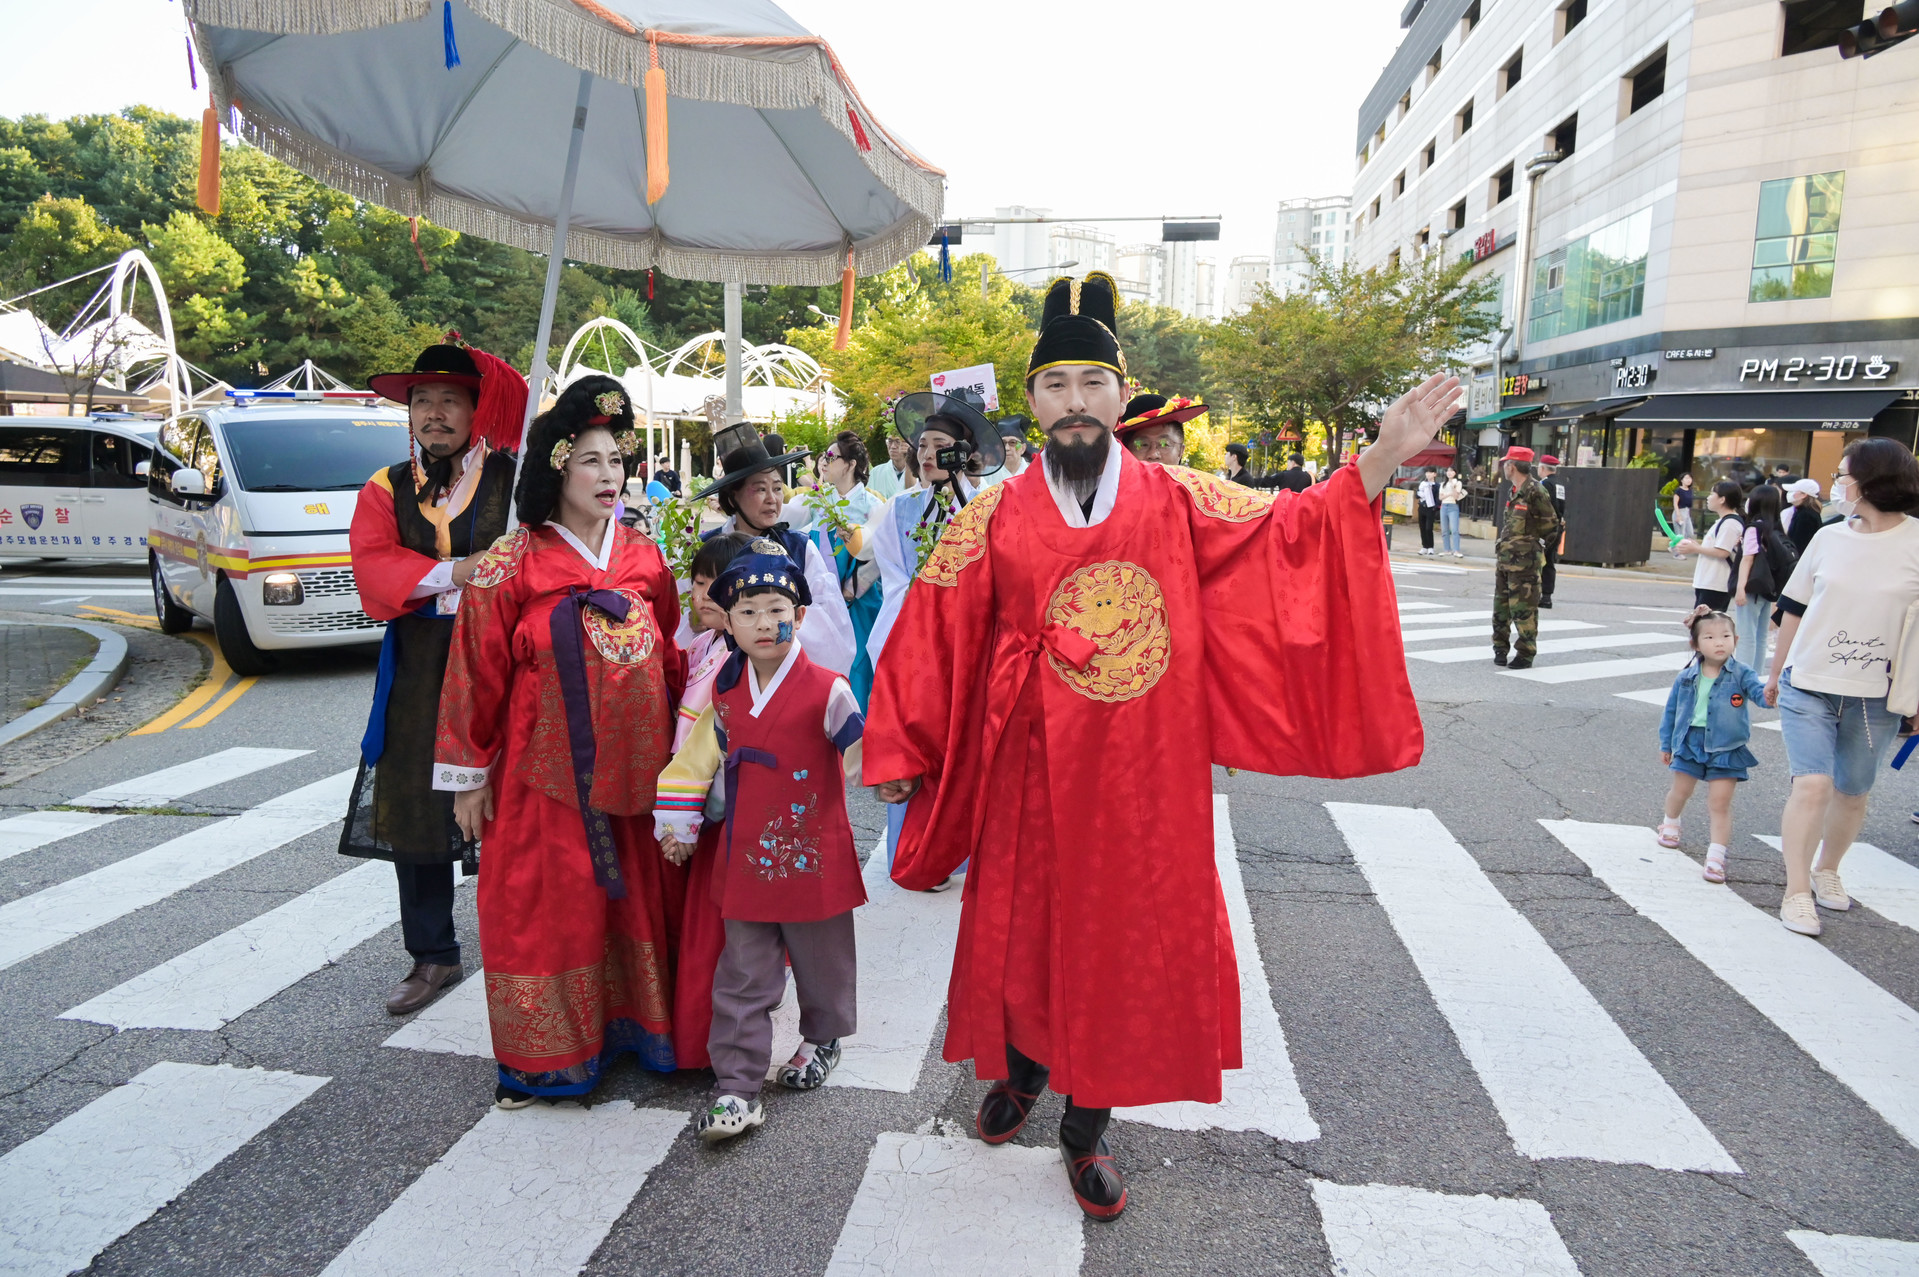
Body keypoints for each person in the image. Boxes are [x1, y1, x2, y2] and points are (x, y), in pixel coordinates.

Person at [863, 270, 1444, 1219]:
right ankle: (1022, 1067)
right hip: (1029, 772)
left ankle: (1086, 1126)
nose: (1075, 401)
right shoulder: (992, 514)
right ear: (1031, 402)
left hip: (1144, 776)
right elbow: (930, 630)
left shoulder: (1178, 496)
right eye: (1055, 385)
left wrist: (1380, 456)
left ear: (1121, 395)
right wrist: (900, 749)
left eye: (1092, 383)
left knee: (1122, 944)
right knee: (1025, 931)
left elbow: (1293, 530)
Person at [435, 375, 689, 1107]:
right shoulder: (510, 562)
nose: (610, 475)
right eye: (590, 461)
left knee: (633, 899)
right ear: (557, 468)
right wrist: (468, 777)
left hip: (637, 776)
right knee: (550, 909)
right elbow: (473, 672)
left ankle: (637, 1030)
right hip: (541, 780)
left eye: (616, 460)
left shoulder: (643, 555)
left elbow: (671, 654)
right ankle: (545, 1058)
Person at [654, 542, 867, 1142]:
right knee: (742, 974)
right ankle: (737, 1085)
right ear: (727, 620)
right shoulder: (724, 694)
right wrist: (680, 822)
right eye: (747, 612)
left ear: (799, 615)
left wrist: (895, 775)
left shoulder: (828, 689)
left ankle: (822, 1038)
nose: (764, 623)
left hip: (812, 853)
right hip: (746, 854)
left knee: (822, 962)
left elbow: (864, 752)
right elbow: (704, 761)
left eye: (777, 609)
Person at [345, 338, 524, 1016]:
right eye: (422, 400)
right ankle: (433, 953)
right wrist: (457, 571)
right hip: (420, 661)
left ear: (477, 410)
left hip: (502, 658)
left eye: (450, 399)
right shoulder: (384, 487)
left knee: (513, 797)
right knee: (416, 802)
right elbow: (372, 569)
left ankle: (524, 946)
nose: (434, 412)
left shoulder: (516, 480)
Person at [1764, 438, 1919, 937]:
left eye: (1843, 475)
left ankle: (1827, 868)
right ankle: (1796, 891)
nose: (1837, 484)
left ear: (1870, 481)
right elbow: (1793, 608)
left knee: (1852, 791)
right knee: (1812, 784)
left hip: (1878, 693)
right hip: (1808, 682)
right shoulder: (1828, 537)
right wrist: (1775, 674)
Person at [694, 424, 857, 676]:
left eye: (778, 488)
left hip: (786, 676)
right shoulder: (708, 548)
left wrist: (768, 623)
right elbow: (688, 623)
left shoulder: (799, 548)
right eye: (760, 489)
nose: (773, 499)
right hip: (716, 675)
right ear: (732, 496)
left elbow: (831, 623)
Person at [1656, 609, 1769, 884]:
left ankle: (1716, 856)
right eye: (1709, 637)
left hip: (1727, 748)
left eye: (1725, 636)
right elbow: (1671, 712)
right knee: (1681, 791)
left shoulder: (1742, 674)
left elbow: (1761, 697)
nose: (1719, 642)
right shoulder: (1686, 677)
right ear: (1695, 644)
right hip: (1689, 742)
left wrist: (1776, 690)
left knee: (1720, 803)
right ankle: (1670, 822)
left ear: (1736, 640)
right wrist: (1666, 744)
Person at [812, 430, 885, 707]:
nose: (825, 461)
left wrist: (852, 589)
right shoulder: (821, 502)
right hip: (823, 600)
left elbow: (881, 557)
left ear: (851, 464)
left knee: (857, 669)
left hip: (858, 601)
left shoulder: (873, 506)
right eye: (824, 456)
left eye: (832, 457)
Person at [1491, 446, 1561, 670]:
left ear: (1512, 466)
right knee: (1501, 607)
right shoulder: (1514, 490)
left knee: (1523, 609)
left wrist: (1534, 548)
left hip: (1525, 564)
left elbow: (1551, 525)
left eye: (1505, 464)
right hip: (1505, 559)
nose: (1504, 467)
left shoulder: (1535, 491)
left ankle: (1525, 653)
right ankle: (1500, 648)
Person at [1731, 483, 1792, 673]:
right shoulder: (1776, 529)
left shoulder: (1754, 528)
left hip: (1752, 587)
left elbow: (1748, 559)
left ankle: (1743, 676)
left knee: (1746, 635)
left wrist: (1740, 588)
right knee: (1760, 635)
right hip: (1768, 588)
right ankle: (1755, 676)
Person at [1675, 480, 1745, 611]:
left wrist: (1696, 548)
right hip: (1709, 582)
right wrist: (1696, 546)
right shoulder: (1723, 521)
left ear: (1722, 499)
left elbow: (1722, 552)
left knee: (1707, 621)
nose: (1708, 497)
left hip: (1716, 584)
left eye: (1712, 494)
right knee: (1701, 621)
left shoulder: (1730, 523)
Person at [1116, 393, 1207, 468]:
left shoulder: (1201, 484)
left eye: (1164, 444)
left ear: (1180, 451)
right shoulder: (1111, 485)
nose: (1153, 455)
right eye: (1143, 445)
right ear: (1125, 450)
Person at [1535, 455, 1567, 607]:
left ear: (1542, 468)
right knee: (1549, 561)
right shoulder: (1559, 484)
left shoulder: (1544, 484)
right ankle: (1547, 597)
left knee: (1535, 560)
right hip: (1557, 527)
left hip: (1545, 528)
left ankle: (1533, 594)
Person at [1783, 477, 1826, 556]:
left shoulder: (1806, 516)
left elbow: (1800, 544)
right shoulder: (1803, 512)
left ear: (1804, 495)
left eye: (1793, 491)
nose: (1789, 493)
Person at [867, 431, 915, 499]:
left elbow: (915, 495)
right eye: (890, 441)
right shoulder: (875, 472)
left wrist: (909, 457)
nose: (893, 446)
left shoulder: (919, 472)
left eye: (898, 442)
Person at [1438, 467, 1465, 558]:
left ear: (1455, 473)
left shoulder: (1458, 483)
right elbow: (1440, 498)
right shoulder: (1443, 484)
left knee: (1454, 530)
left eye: (1451, 471)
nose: (1449, 473)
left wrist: (1452, 488)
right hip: (1444, 506)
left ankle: (1456, 550)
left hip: (1453, 506)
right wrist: (1449, 494)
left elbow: (1456, 496)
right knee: (1444, 530)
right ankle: (1447, 550)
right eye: (1448, 471)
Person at [1414, 467, 1440, 556]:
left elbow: (1437, 498)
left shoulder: (1436, 485)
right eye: (1427, 472)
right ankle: (1424, 546)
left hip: (1430, 509)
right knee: (1422, 527)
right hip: (1422, 507)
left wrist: (1435, 508)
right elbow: (1417, 495)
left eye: (1430, 472)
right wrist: (1419, 493)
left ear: (1434, 474)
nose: (1428, 474)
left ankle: (1430, 547)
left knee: (1429, 528)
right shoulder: (1422, 483)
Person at [1673, 473, 1697, 541]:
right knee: (1681, 535)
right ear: (1682, 480)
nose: (1689, 480)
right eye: (1686, 478)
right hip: (1680, 512)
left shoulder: (1690, 490)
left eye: (1690, 478)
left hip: (1687, 512)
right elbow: (1675, 503)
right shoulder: (1679, 490)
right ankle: (1675, 547)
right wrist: (1678, 515)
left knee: (1690, 533)